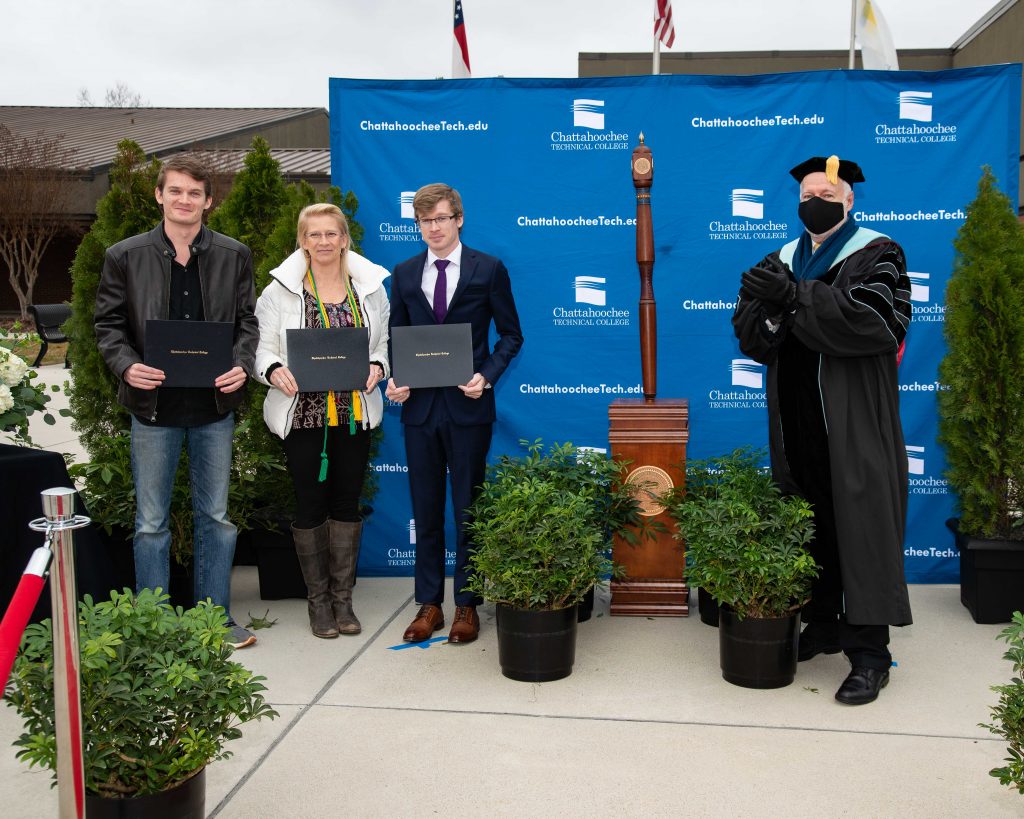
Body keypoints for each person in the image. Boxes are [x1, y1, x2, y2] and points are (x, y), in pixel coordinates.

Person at [732, 154, 913, 705]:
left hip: (852, 415)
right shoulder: (782, 257)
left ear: (849, 201)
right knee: (811, 518)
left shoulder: (879, 254)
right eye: (809, 193)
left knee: (860, 523)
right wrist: (769, 310)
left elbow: (875, 324)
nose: (816, 201)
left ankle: (869, 655)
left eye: (828, 195)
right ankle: (825, 622)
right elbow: (750, 335)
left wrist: (795, 299)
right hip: (796, 417)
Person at [95, 153, 259, 649]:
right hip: (153, 410)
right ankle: (153, 624)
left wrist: (241, 363)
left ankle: (214, 621)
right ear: (159, 196)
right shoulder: (124, 255)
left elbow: (248, 323)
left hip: (214, 409)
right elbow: (108, 326)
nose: (184, 200)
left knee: (216, 518)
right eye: (175, 191)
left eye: (194, 192)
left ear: (208, 201)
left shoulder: (234, 254)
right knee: (150, 524)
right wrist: (126, 365)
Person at [386, 183, 523, 644]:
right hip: (420, 412)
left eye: (442, 218)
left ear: (458, 219)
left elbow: (510, 336)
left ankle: (466, 604)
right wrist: (394, 379)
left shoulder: (489, 268)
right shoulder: (404, 274)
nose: (434, 228)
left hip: (468, 408)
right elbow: (395, 339)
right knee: (425, 510)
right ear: (418, 224)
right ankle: (429, 605)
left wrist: (486, 375)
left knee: (468, 509)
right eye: (426, 221)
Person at [254, 204, 390, 639]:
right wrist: (274, 369)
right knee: (310, 503)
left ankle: (342, 601)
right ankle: (318, 604)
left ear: (345, 239)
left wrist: (378, 367)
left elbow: (383, 346)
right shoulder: (279, 292)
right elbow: (262, 348)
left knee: (347, 504)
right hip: (303, 414)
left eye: (332, 234)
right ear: (302, 241)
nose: (324, 242)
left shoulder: (370, 291)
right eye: (315, 235)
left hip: (353, 413)